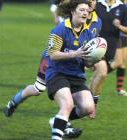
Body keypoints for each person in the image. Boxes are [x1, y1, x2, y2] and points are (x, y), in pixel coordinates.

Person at [42, 0, 95, 139]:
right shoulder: (60, 29)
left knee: (88, 107)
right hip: (57, 74)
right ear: (72, 12)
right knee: (67, 104)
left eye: (87, 11)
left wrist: (92, 61)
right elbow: (52, 55)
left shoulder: (88, 34)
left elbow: (88, 63)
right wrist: (75, 53)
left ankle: (57, 120)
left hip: (76, 76)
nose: (85, 13)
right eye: (81, 10)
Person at [94, 0, 127, 97]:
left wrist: (119, 26)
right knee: (117, 62)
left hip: (116, 38)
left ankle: (118, 89)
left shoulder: (122, 7)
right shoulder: (98, 5)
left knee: (121, 62)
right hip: (99, 40)